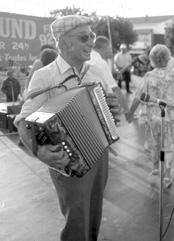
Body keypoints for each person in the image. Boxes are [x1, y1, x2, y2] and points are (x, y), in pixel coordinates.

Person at [14, 15, 118, 241]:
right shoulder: (45, 76)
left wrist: (112, 113)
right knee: (77, 220)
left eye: (91, 35)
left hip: (99, 153)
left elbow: (106, 107)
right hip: (68, 159)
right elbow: (23, 121)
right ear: (63, 43)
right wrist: (40, 152)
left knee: (94, 214)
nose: (91, 41)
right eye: (84, 37)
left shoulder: (95, 71)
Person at [125, 44, 174, 188]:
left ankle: (155, 167)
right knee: (168, 145)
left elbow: (138, 97)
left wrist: (131, 113)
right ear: (168, 59)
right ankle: (167, 176)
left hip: (153, 117)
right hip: (171, 118)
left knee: (155, 141)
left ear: (151, 60)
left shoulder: (148, 76)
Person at [88, 35, 128, 114]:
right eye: (109, 47)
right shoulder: (100, 62)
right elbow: (115, 89)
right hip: (99, 103)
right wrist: (127, 111)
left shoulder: (86, 58)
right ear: (105, 46)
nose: (110, 50)